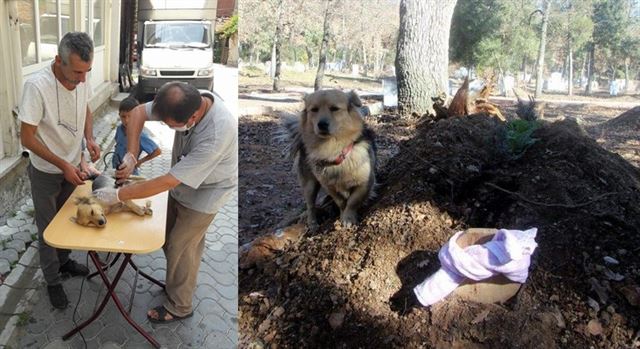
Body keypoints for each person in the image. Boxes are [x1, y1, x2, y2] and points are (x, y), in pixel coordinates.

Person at [94, 82, 237, 323]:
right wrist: (131, 154)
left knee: (182, 246)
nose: (165, 127)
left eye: (169, 126)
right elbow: (139, 112)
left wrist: (119, 195)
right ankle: (178, 284)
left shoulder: (216, 134)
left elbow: (167, 181)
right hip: (183, 179)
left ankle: (180, 305)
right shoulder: (183, 99)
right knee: (168, 239)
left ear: (193, 117)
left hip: (208, 189)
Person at [18, 32, 100, 309]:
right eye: (77, 72)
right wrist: (63, 164)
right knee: (48, 229)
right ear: (58, 61)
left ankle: (64, 262)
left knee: (69, 219)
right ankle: (52, 281)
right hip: (46, 171)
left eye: (87, 71)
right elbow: (27, 138)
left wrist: (89, 139)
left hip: (73, 165)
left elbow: (86, 108)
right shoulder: (36, 86)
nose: (82, 79)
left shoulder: (81, 78)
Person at [112, 97, 161, 174]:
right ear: (119, 115)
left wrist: (139, 162)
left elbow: (157, 151)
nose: (127, 120)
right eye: (123, 116)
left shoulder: (140, 135)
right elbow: (117, 142)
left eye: (130, 116)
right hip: (116, 168)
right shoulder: (119, 129)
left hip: (130, 173)